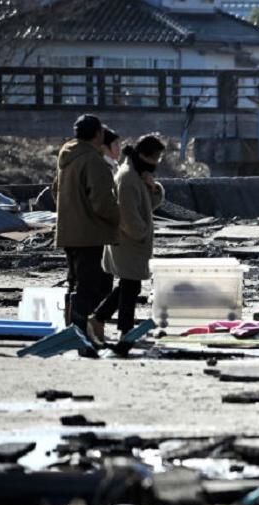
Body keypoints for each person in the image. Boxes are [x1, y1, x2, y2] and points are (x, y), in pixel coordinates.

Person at [92, 134, 166, 351]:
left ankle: (99, 319)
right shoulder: (127, 178)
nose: (156, 164)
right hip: (129, 242)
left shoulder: (137, 175)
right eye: (155, 158)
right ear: (144, 155)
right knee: (130, 287)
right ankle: (124, 333)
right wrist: (141, 233)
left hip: (133, 243)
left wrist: (153, 188)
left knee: (127, 286)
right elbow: (127, 215)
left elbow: (146, 207)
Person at [53, 114, 119, 350]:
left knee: (78, 284)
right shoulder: (93, 161)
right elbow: (102, 202)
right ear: (98, 135)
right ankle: (82, 334)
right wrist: (122, 220)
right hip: (91, 235)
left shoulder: (67, 157)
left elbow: (54, 192)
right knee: (96, 287)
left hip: (69, 233)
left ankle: (74, 330)